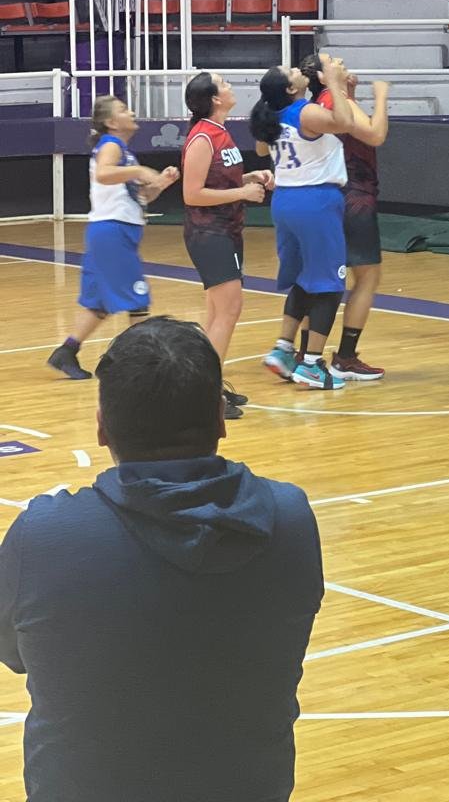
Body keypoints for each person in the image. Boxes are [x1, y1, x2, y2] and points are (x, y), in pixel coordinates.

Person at [0, 316, 323, 802]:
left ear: (102, 428)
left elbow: (13, 653)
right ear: (221, 418)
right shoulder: (291, 519)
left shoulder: (46, 534)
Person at [46, 94, 179, 381]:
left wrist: (161, 183)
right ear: (111, 122)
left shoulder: (123, 152)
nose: (131, 112)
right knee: (137, 300)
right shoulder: (111, 145)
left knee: (99, 304)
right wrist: (140, 170)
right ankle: (140, 364)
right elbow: (104, 174)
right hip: (112, 233)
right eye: (124, 109)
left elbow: (140, 197)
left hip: (109, 232)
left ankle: (67, 351)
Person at [252, 59, 353, 390]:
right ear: (291, 88)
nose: (296, 69)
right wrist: (335, 82)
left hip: (285, 201)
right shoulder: (305, 112)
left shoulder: (272, 116)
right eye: (291, 72)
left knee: (303, 277)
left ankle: (284, 349)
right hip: (315, 201)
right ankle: (311, 364)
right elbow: (345, 122)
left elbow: (261, 148)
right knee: (329, 284)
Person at [181, 71, 272, 418]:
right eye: (224, 83)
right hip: (209, 233)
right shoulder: (203, 137)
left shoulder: (220, 131)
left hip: (228, 230)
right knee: (229, 309)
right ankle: (205, 397)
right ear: (215, 99)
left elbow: (220, 179)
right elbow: (192, 194)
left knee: (217, 313)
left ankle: (207, 385)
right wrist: (243, 193)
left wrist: (249, 178)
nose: (230, 86)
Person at [306, 53, 390, 381]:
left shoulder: (320, 103)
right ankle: (345, 356)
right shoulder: (335, 100)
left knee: (317, 279)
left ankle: (302, 353)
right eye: (333, 62)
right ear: (322, 76)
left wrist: (351, 94)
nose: (341, 62)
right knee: (366, 277)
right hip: (354, 197)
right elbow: (375, 134)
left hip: (327, 197)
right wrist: (381, 97)